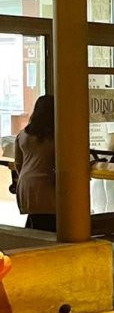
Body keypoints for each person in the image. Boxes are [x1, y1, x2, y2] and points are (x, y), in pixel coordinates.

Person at [13, 95, 56, 232]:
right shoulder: (56, 135)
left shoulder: (23, 135)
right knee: (48, 229)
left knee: (35, 223)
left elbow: (18, 163)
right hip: (47, 184)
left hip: (26, 184)